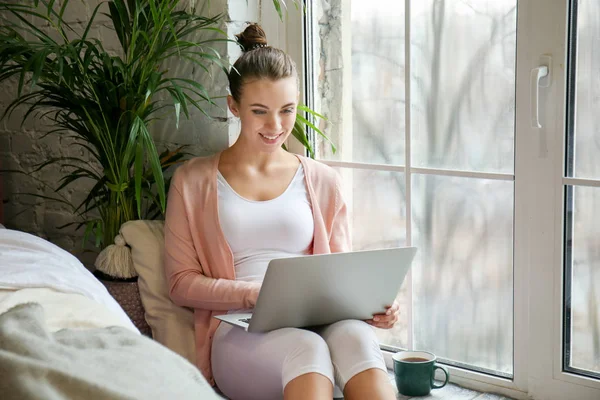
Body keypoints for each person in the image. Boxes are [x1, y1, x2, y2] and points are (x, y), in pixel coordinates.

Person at [164, 23, 400, 400]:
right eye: (260, 111)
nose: (276, 127)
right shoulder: (192, 182)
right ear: (233, 106)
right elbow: (179, 284)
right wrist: (253, 294)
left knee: (356, 336)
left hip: (318, 319)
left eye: (287, 110)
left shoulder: (323, 180)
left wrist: (372, 307)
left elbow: (341, 274)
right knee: (305, 349)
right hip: (240, 330)